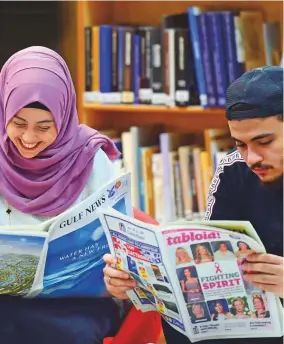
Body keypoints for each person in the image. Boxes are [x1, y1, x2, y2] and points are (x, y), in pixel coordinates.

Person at [0, 46, 123, 344]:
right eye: (17, 124)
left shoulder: (94, 162)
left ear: (65, 117)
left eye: (44, 127)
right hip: (0, 305)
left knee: (71, 334)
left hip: (78, 306)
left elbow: (120, 252)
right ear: (2, 111)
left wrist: (119, 273)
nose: (28, 139)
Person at [103, 65, 283, 344]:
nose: (252, 158)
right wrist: (133, 282)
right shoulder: (233, 171)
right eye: (241, 145)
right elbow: (211, 262)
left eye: (264, 141)